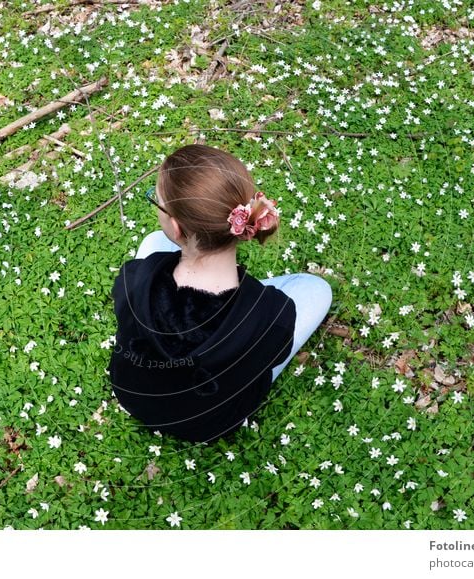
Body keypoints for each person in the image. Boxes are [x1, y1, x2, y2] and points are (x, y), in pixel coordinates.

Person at [108, 144, 332, 443]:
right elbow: (271, 356)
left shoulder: (134, 279)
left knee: (151, 242)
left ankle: (205, 271)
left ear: (176, 227)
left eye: (157, 202)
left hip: (134, 394)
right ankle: (226, 283)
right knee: (316, 288)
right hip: (209, 422)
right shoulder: (273, 313)